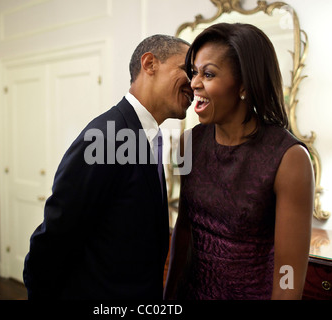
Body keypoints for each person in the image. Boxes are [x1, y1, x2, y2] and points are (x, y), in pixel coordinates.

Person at [23, 34, 193, 299]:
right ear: (149, 64)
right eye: (187, 70)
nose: (194, 83)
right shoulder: (106, 137)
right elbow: (55, 238)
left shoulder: (150, 137)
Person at [164, 23, 314, 300]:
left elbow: (288, 271)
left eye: (208, 74)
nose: (194, 83)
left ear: (244, 83)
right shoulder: (189, 142)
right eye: (194, 72)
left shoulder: (290, 159)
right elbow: (184, 230)